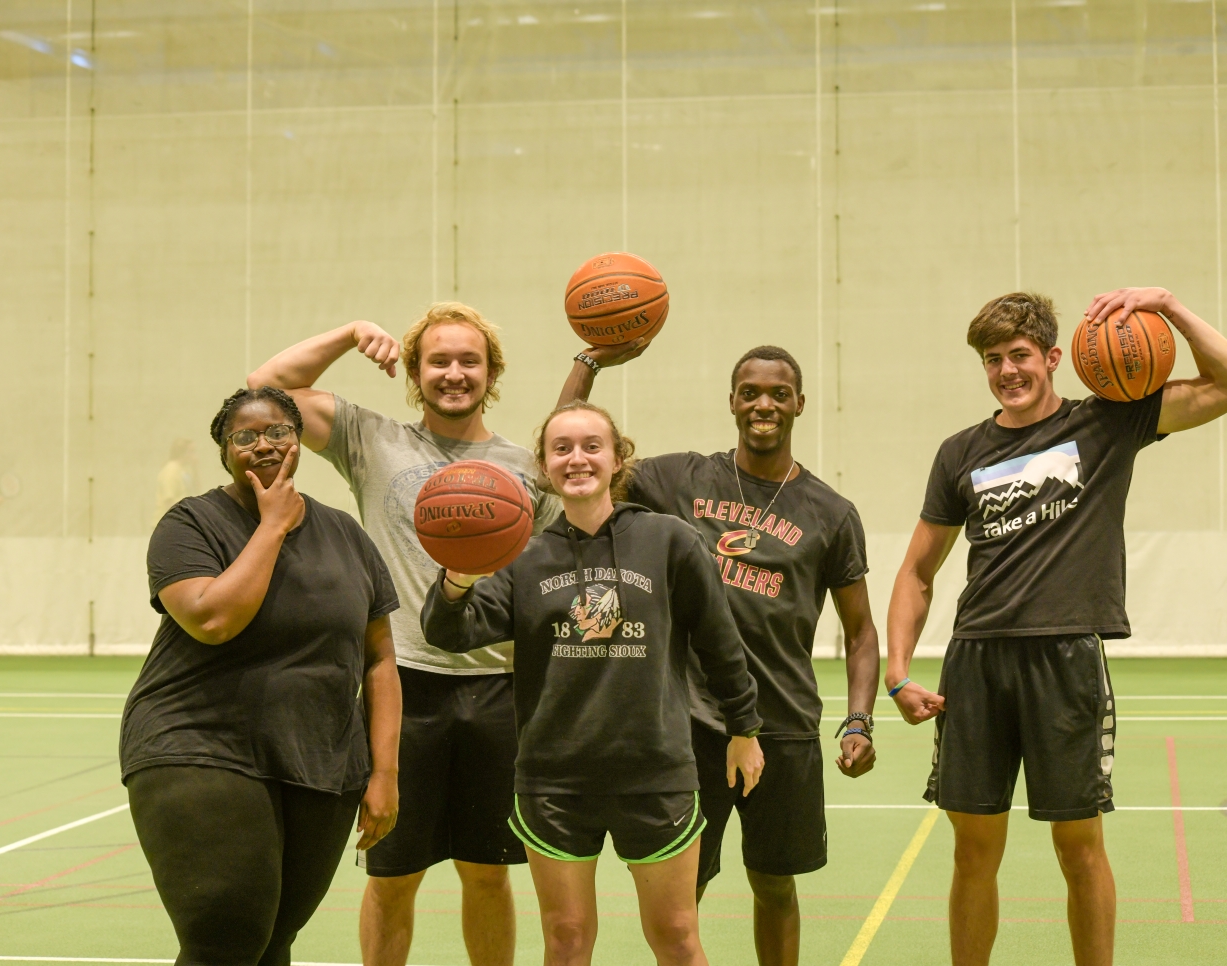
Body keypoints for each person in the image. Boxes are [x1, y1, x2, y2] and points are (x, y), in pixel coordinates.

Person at [886, 288, 1227, 966]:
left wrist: (1169, 308)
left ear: (1055, 357)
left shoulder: (1110, 423)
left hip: (1066, 660)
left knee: (1079, 847)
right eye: (994, 359)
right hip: (976, 661)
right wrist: (898, 673)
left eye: (1021, 355)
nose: (1008, 371)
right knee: (973, 852)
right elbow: (917, 570)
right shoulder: (959, 452)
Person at [248, 303, 559, 966]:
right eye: (438, 360)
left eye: (468, 360)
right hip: (399, 688)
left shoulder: (528, 468)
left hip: (499, 690)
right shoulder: (372, 438)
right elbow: (262, 393)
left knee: (487, 872)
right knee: (393, 877)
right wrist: (347, 333)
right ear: (415, 372)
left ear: (491, 371)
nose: (454, 373)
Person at [557, 343, 881, 965]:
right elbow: (571, 447)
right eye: (751, 392)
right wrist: (589, 363)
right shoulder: (679, 479)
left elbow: (861, 630)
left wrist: (859, 719)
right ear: (731, 401)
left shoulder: (831, 514)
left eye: (778, 394)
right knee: (683, 893)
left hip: (782, 723)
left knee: (774, 883)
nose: (764, 404)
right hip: (690, 726)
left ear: (799, 405)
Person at [423, 400, 765, 966]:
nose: (576, 459)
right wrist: (460, 568)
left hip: (655, 772)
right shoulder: (522, 554)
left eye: (591, 446)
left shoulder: (670, 541)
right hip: (555, 779)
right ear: (543, 465)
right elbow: (448, 631)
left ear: (616, 458)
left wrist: (744, 728)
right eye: (561, 449)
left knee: (677, 936)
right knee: (566, 940)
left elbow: (720, 643)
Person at [119, 386, 403, 965]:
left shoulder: (347, 534)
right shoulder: (191, 524)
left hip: (319, 761)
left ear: (300, 442)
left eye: (278, 432)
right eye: (244, 437)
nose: (264, 446)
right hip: (198, 744)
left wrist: (384, 773)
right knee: (224, 940)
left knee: (273, 942)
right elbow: (213, 619)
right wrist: (272, 525)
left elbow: (379, 659)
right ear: (225, 452)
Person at [156, 437, 200, 518]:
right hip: (170, 521)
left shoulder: (183, 470)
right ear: (182, 452)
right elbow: (169, 500)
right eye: (192, 452)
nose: (194, 456)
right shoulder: (171, 470)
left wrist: (195, 469)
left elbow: (196, 491)